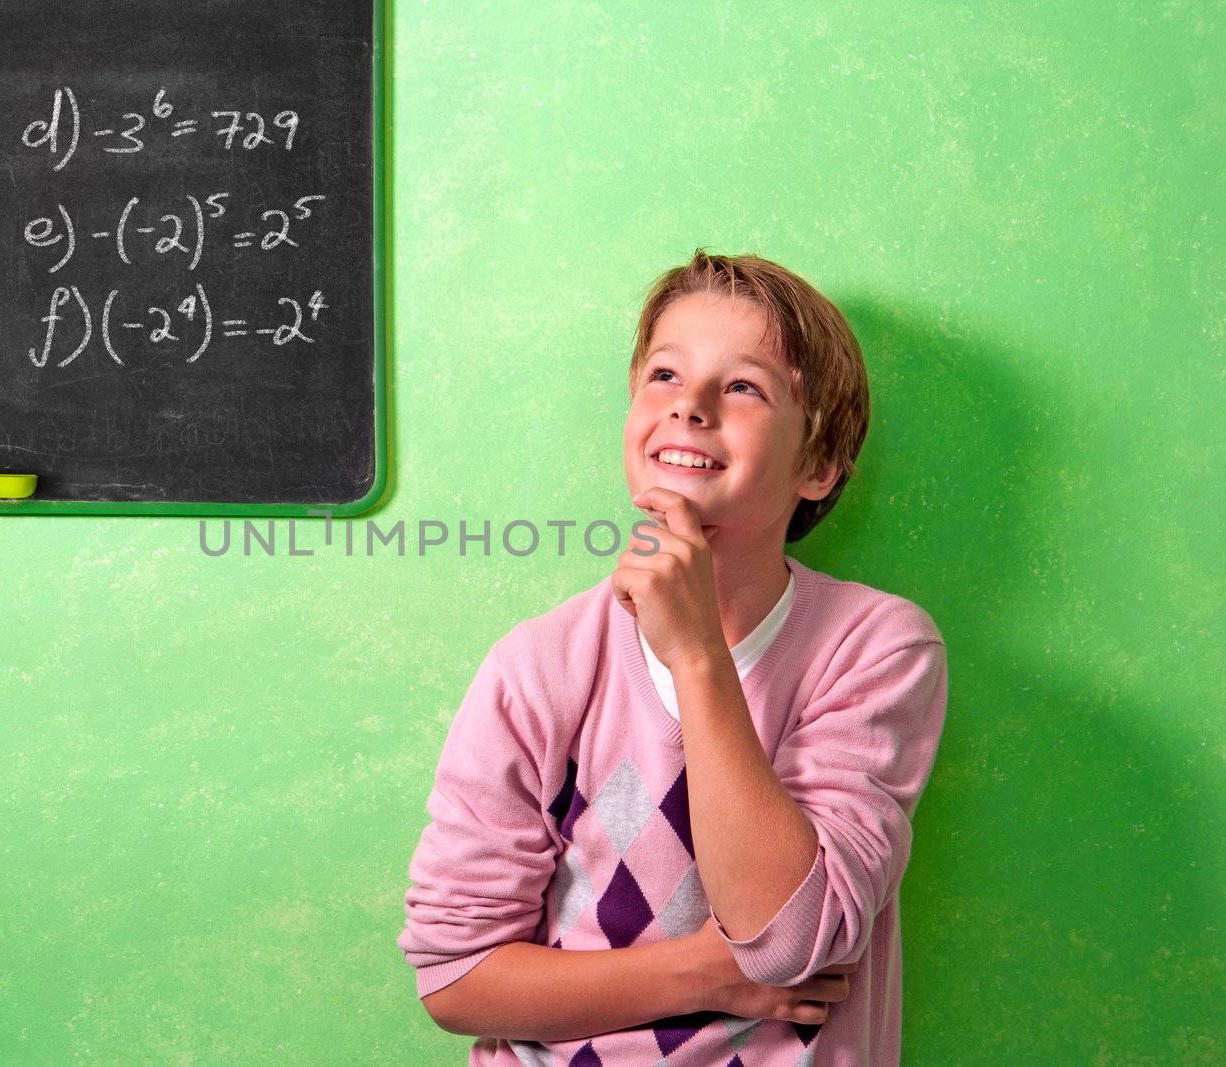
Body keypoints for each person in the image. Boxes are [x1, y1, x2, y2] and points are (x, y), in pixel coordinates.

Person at [396, 249, 949, 1065]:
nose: (688, 406)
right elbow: (456, 976)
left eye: (743, 386)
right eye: (664, 374)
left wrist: (696, 653)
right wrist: (708, 973)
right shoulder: (539, 665)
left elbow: (788, 940)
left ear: (819, 464)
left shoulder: (875, 649)